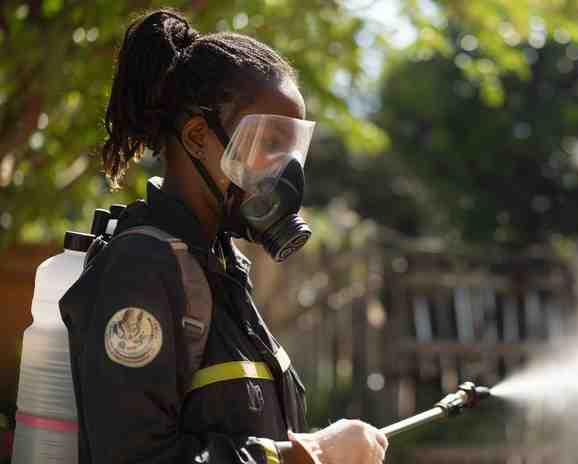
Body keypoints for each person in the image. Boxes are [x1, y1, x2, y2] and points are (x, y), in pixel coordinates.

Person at [58, 8, 387, 464]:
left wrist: (318, 448)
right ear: (196, 136)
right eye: (268, 142)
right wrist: (308, 456)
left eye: (292, 147)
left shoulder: (219, 267)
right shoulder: (143, 268)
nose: (285, 169)